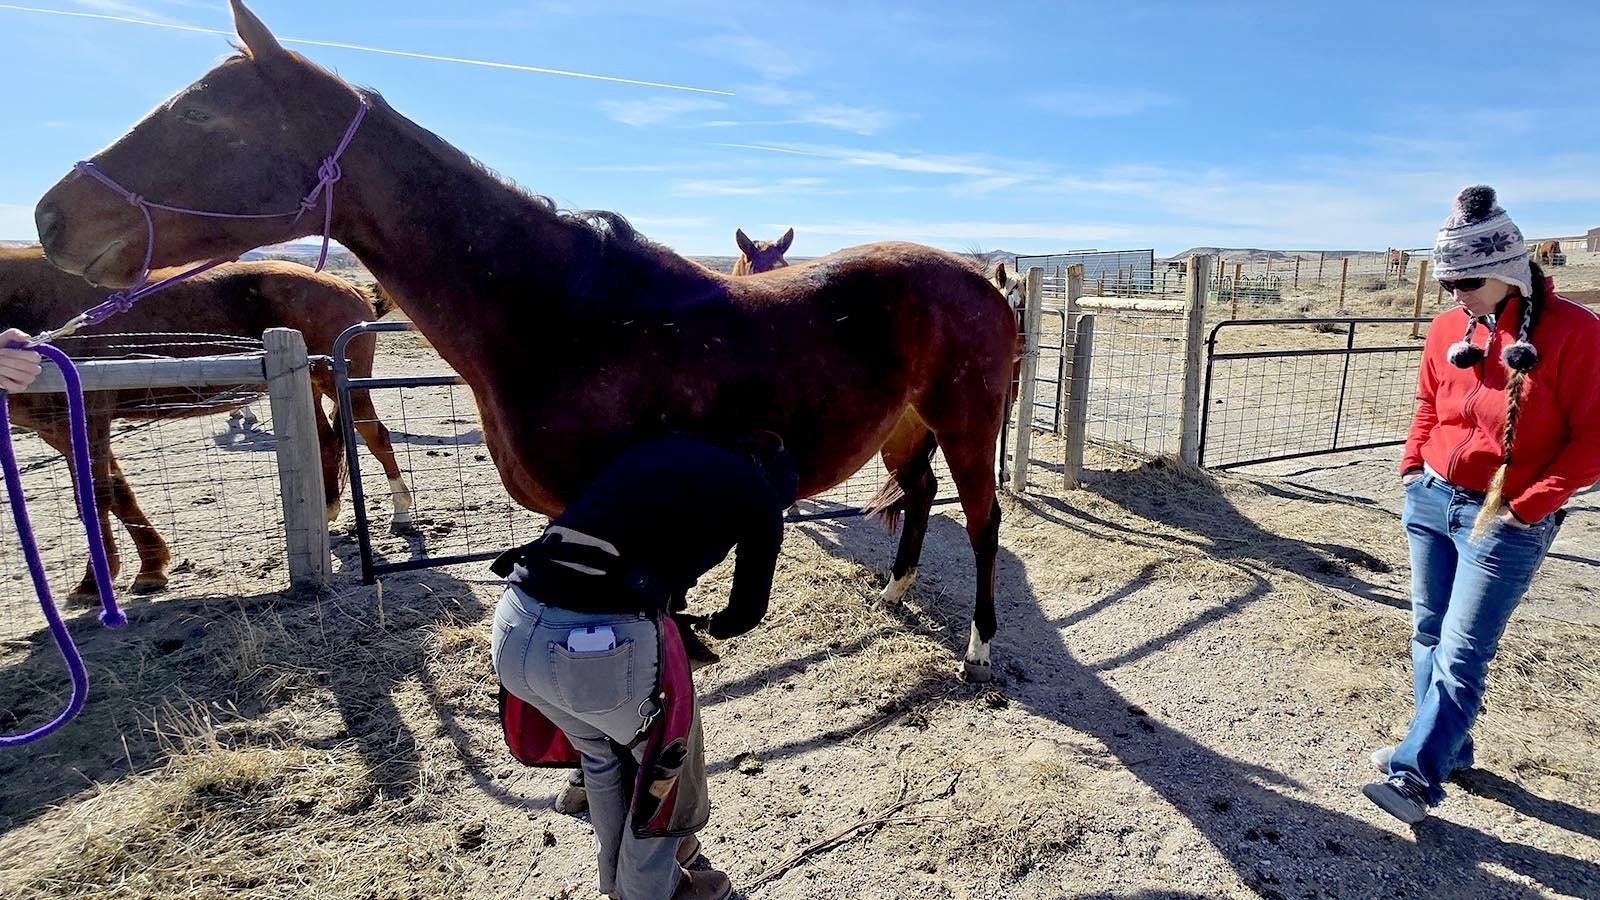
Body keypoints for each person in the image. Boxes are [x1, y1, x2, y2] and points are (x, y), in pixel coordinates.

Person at [1363, 186, 1600, 824]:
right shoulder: (1447, 329)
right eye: (1446, 282)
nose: (1455, 294)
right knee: (1429, 632)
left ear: (1506, 270)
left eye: (1466, 280)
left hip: (1505, 516)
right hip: (1431, 498)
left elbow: (1595, 438)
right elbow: (1427, 404)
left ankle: (1415, 777)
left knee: (1463, 649)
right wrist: (1413, 465)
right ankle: (1450, 749)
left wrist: (1532, 504)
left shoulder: (1576, 334)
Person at [489, 433, 796, 900]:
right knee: (667, 764)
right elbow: (745, 614)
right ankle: (652, 890)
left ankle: (620, 880)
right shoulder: (759, 494)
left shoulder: (658, 451)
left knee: (600, 750)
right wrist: (708, 624)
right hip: (597, 644)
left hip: (514, 621)